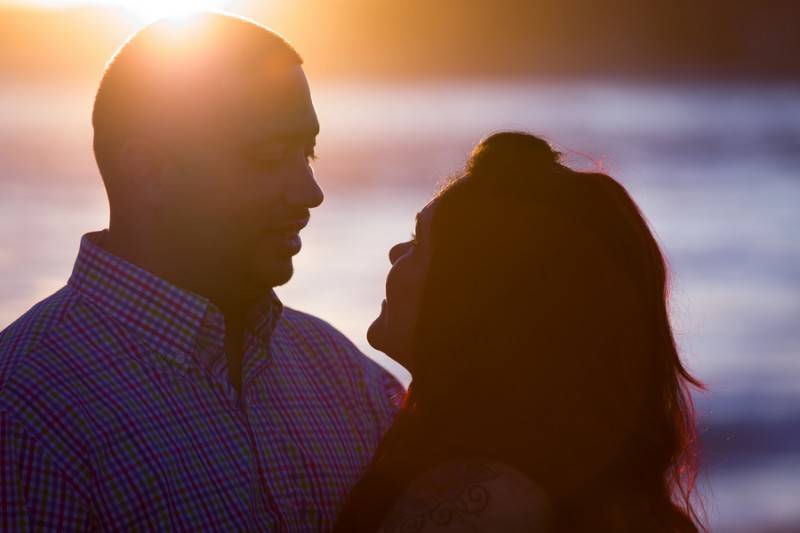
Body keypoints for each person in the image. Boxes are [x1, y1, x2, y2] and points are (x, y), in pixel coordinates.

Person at [0, 13, 401, 532]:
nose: (309, 192)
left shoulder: (344, 375)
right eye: (270, 156)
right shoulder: (28, 413)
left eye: (308, 153)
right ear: (151, 171)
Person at [334, 132, 705, 532]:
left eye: (419, 242)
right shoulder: (544, 476)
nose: (394, 252)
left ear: (474, 306)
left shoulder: (484, 503)